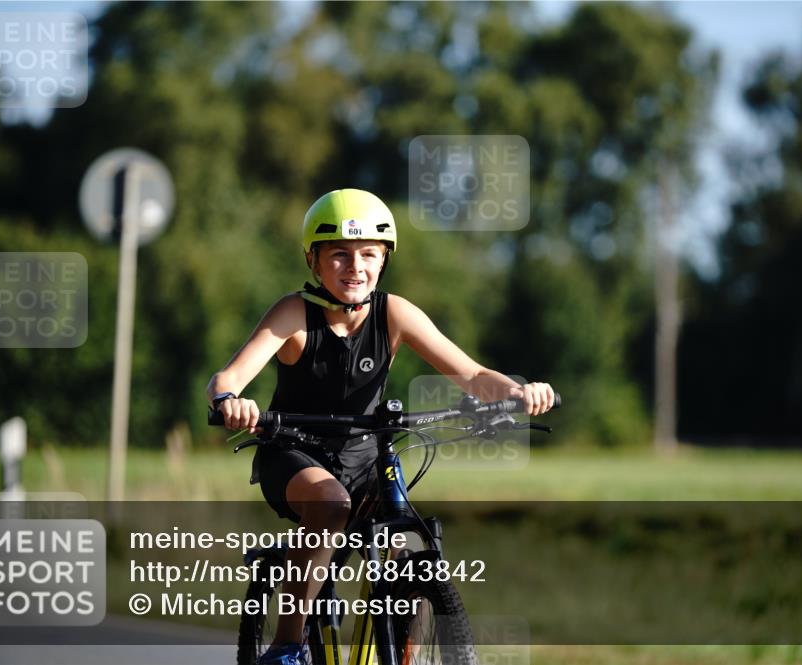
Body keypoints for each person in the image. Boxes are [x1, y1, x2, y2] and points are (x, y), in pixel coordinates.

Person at [207, 189, 554, 665]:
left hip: (366, 456)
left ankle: (403, 654)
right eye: (340, 255)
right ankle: (286, 646)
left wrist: (517, 392)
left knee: (411, 541)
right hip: (294, 454)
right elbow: (229, 376)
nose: (355, 267)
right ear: (314, 261)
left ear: (384, 259)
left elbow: (472, 375)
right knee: (330, 506)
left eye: (369, 254)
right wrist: (230, 401)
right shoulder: (294, 313)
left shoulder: (393, 313)